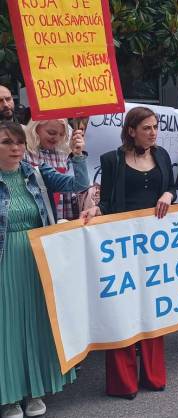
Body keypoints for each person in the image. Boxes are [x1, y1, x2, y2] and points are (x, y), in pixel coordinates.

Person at [80, 106, 175, 399]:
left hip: (155, 245)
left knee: (153, 306)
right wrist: (96, 209)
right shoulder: (112, 160)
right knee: (121, 309)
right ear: (131, 131)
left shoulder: (162, 156)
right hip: (121, 245)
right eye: (147, 128)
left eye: (155, 127)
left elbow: (172, 187)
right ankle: (123, 382)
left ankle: (153, 375)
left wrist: (168, 194)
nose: (153, 132)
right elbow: (108, 202)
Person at [0, 121, 87, 418]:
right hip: (5, 260)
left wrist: (78, 155)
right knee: (8, 328)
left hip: (37, 256)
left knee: (37, 323)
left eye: (19, 143)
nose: (15, 148)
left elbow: (77, 185)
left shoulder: (35, 173)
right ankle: (9, 396)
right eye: (6, 142)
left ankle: (35, 390)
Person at [24, 119, 84, 221]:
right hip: (34, 216)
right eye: (51, 133)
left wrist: (78, 154)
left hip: (61, 214)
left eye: (61, 134)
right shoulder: (24, 153)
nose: (56, 137)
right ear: (35, 128)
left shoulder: (64, 155)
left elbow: (79, 184)